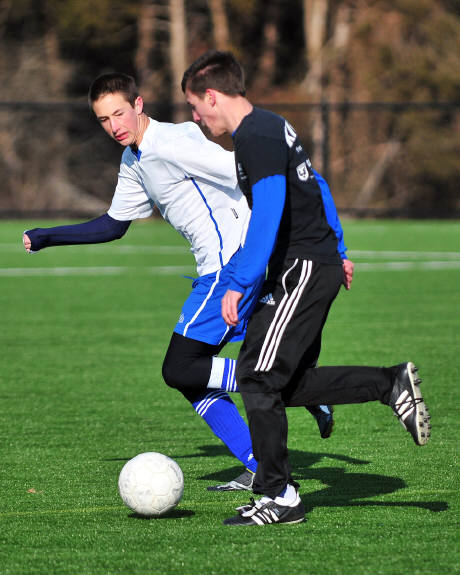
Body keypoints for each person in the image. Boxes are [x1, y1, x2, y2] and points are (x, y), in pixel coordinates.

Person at [22, 72, 353, 492]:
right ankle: (260, 458)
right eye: (104, 119)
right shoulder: (134, 159)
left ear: (138, 104)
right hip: (221, 266)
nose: (114, 126)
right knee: (189, 376)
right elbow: (113, 225)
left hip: (229, 266)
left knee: (180, 367)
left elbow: (250, 172)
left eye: (119, 113)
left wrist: (327, 240)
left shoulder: (171, 144)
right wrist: (47, 237)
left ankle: (288, 381)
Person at [181, 50, 431, 526]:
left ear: (212, 96)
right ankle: (388, 383)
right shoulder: (269, 126)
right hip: (308, 265)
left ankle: (280, 495)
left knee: (256, 377)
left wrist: (240, 282)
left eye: (194, 106)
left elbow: (269, 212)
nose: (195, 117)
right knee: (278, 382)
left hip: (301, 269)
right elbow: (318, 185)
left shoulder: (255, 136)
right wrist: (338, 248)